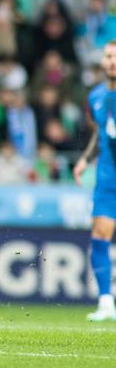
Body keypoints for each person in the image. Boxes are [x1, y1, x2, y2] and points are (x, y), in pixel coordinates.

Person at [73, 40, 116, 322]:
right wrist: (85, 159)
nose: (111, 61)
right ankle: (105, 302)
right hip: (108, 178)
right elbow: (101, 132)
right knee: (100, 235)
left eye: (115, 57)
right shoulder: (96, 96)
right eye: (108, 56)